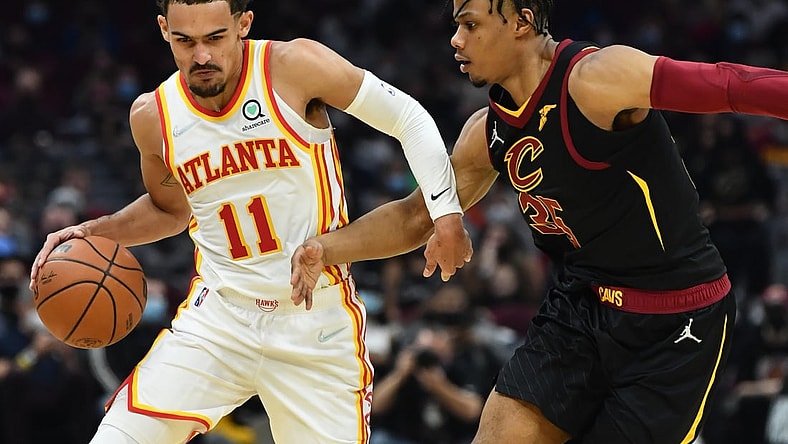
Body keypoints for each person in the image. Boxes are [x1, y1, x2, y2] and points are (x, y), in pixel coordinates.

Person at [290, 0, 788, 442]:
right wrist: (325, 249)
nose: (454, 40)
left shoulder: (597, 79)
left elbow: (730, 84)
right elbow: (418, 216)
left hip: (675, 321)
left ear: (523, 21)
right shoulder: (485, 132)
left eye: (469, 25)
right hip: (579, 308)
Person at [28, 0, 472, 442]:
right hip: (219, 317)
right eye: (185, 41)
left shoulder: (295, 67)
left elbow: (408, 117)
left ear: (244, 24)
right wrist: (91, 231)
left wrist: (446, 212)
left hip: (313, 320)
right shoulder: (152, 116)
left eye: (215, 38)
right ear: (164, 29)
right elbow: (171, 210)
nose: (201, 56)